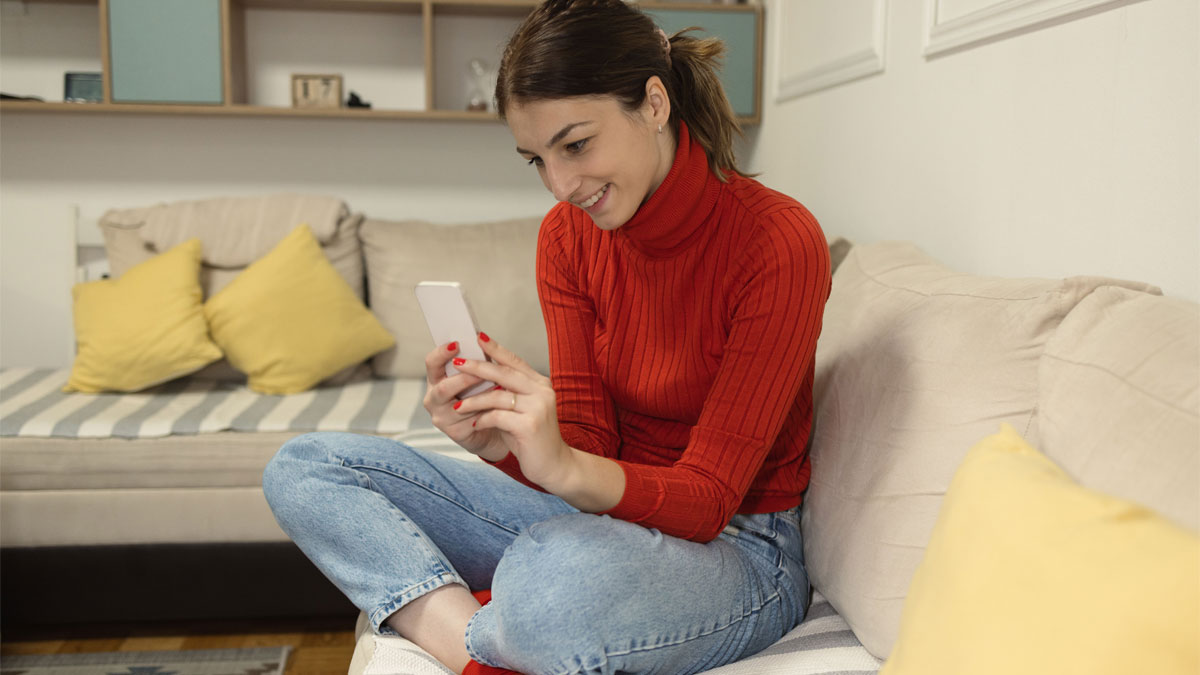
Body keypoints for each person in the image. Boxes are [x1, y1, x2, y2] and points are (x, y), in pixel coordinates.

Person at [262, 1, 831, 673]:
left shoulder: (779, 241)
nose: (561, 185)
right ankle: (478, 646)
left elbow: (707, 499)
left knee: (549, 577)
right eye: (536, 158)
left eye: (577, 144)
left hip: (740, 546)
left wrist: (561, 469)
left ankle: (491, 627)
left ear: (653, 103)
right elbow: (585, 448)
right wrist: (506, 445)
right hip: (602, 521)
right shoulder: (566, 238)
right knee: (304, 468)